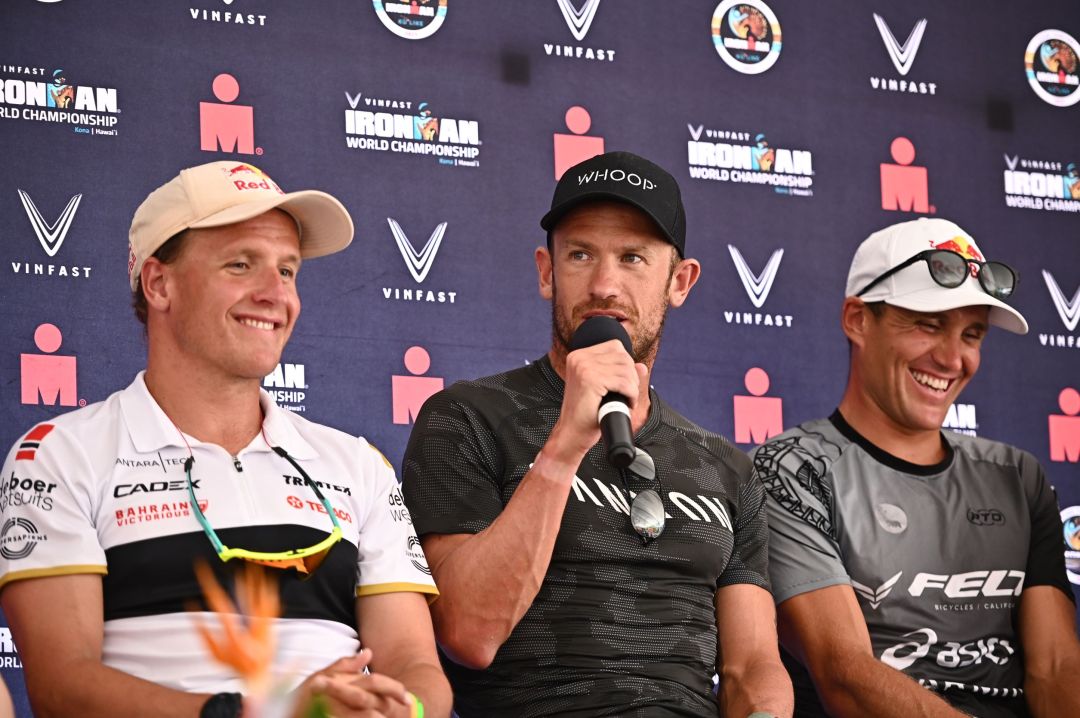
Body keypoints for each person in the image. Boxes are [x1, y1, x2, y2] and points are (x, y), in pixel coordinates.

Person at [0, 161, 451, 718]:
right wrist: (266, 713)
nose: (274, 294)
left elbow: (414, 664)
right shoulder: (57, 454)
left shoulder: (356, 464)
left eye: (287, 271)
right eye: (241, 265)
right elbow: (63, 689)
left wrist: (399, 710)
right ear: (159, 283)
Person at [401, 151, 793, 717]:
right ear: (546, 271)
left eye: (632, 258)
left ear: (680, 281)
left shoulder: (727, 466)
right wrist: (564, 446)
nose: (604, 285)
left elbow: (752, 666)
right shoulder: (467, 417)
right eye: (581, 255)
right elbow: (467, 633)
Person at [751, 217, 1080, 717]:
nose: (953, 359)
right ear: (858, 320)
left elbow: (1055, 667)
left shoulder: (1017, 475)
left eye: (972, 334)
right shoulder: (789, 469)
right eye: (928, 325)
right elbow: (846, 676)